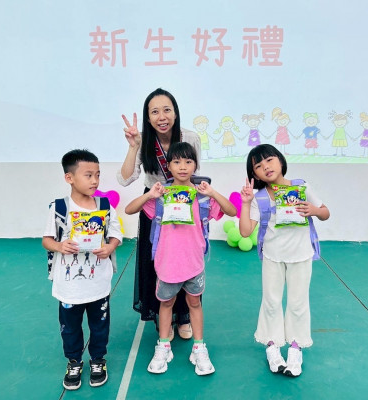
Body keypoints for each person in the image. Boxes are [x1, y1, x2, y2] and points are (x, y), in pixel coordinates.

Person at [125, 142, 236, 375]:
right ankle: (163, 346)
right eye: (176, 162)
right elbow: (129, 209)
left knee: (194, 303)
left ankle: (199, 347)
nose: (183, 167)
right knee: (166, 303)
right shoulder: (162, 195)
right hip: (167, 263)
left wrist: (212, 192)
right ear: (168, 166)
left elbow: (231, 211)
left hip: (194, 263)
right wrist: (150, 195)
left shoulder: (202, 196)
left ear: (195, 165)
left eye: (188, 161)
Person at [117, 88, 202, 340]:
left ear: (175, 113)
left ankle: (184, 316)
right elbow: (125, 179)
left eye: (166, 110)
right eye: (154, 112)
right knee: (158, 263)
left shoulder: (190, 137)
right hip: (155, 205)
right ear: (148, 117)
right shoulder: (143, 140)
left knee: (185, 260)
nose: (161, 116)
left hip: (183, 201)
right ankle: (163, 317)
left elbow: (195, 173)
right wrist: (133, 146)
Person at [238, 144, 330, 377]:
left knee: (298, 303)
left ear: (280, 160)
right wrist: (246, 203)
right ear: (254, 174)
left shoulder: (302, 187)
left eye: (269, 160)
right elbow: (245, 232)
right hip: (273, 257)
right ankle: (272, 346)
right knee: (271, 302)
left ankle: (295, 349)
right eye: (258, 166)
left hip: (301, 255)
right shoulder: (259, 197)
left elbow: (325, 212)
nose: (266, 167)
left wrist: (314, 210)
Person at [42, 149, 122, 390]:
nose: (95, 180)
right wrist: (60, 246)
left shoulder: (105, 206)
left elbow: (116, 234)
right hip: (69, 286)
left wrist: (110, 247)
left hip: (98, 283)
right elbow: (47, 240)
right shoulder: (59, 208)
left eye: (97, 175)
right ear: (69, 178)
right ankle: (74, 362)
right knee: (70, 328)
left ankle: (98, 360)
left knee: (100, 325)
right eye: (88, 175)